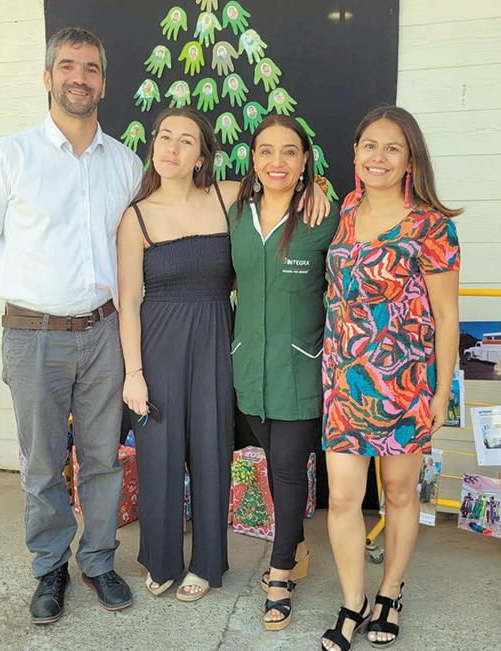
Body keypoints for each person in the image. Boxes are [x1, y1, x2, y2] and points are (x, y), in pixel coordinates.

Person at [0, 27, 142, 624]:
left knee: (102, 459)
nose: (78, 78)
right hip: (33, 336)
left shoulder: (125, 163)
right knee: (42, 464)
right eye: (67, 66)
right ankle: (49, 568)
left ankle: (98, 561)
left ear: (103, 83)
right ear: (47, 77)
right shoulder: (11, 155)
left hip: (104, 333)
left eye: (90, 68)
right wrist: (34, 293)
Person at [117, 107, 330, 602]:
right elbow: (128, 300)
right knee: (159, 454)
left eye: (186, 141)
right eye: (165, 137)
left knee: (211, 453)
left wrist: (312, 188)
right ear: (154, 146)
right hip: (157, 345)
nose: (172, 148)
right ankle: (162, 559)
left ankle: (207, 563)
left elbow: (280, 188)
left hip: (216, 340)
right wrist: (133, 372)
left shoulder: (228, 196)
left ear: (202, 156)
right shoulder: (136, 216)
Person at [320, 105, 460, 650]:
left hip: (406, 384)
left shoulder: (431, 226)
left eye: (392, 148)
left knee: (400, 494)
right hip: (345, 382)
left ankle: (390, 592)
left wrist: (442, 392)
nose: (378, 157)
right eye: (369, 146)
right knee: (342, 498)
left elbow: (446, 316)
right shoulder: (344, 211)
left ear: (410, 160)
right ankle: (353, 600)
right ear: (355, 153)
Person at [229, 114, 340, 630]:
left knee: (290, 469)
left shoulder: (325, 218)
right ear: (253, 158)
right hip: (249, 367)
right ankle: (296, 549)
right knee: (275, 467)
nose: (277, 161)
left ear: (304, 161)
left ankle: (279, 576)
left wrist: (318, 188)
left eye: (290, 151)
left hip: (299, 369)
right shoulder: (235, 212)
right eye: (266, 150)